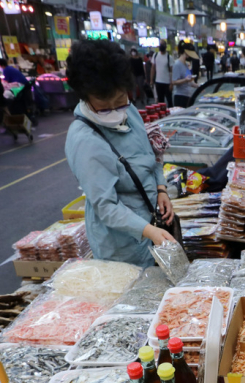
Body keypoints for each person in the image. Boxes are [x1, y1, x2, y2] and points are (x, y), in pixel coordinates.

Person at [65, 40, 177, 266]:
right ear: (85, 96)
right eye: (103, 106)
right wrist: (148, 230)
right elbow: (106, 206)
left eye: (120, 101)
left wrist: (161, 188)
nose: (115, 111)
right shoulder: (84, 140)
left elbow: (151, 154)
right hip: (121, 246)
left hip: (150, 224)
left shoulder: (130, 112)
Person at [151, 43, 172, 107]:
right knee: (160, 101)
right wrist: (151, 80)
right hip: (158, 82)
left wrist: (171, 83)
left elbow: (171, 71)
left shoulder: (169, 57)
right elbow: (153, 68)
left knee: (169, 100)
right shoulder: (155, 55)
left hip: (167, 82)